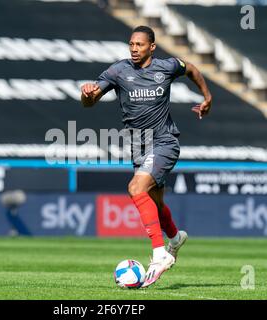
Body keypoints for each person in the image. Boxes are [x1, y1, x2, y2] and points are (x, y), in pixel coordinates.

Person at [80, 26, 212, 288]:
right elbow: (90, 101)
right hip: (139, 148)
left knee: (135, 188)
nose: (134, 49)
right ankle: (174, 238)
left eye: (139, 45)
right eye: (131, 44)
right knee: (156, 203)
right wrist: (86, 94)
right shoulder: (118, 71)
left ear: (152, 47)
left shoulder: (167, 66)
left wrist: (207, 97)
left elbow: (193, 70)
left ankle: (159, 253)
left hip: (164, 143)